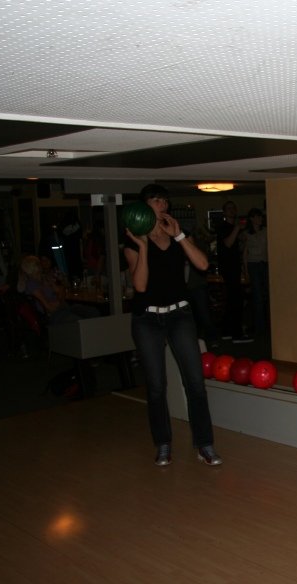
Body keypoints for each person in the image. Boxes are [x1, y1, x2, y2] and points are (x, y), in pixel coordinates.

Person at [123, 184, 222, 467]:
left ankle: (204, 444)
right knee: (156, 386)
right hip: (147, 320)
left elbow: (202, 264)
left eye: (165, 200)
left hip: (180, 315)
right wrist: (144, 247)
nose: (163, 205)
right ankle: (163, 443)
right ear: (144, 207)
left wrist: (179, 236)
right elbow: (140, 286)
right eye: (156, 200)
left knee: (195, 382)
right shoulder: (133, 242)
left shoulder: (179, 235)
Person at [18, 255, 99, 325]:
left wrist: (58, 300)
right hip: (53, 315)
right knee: (78, 321)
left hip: (63, 308)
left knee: (94, 312)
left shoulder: (44, 278)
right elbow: (49, 308)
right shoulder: (31, 284)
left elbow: (62, 289)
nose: (41, 266)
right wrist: (59, 299)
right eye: (37, 264)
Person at [215, 200, 252, 343]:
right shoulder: (223, 227)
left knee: (232, 300)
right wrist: (237, 229)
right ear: (224, 212)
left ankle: (227, 332)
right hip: (228, 268)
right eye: (229, 208)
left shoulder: (233, 228)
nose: (232, 210)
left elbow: (238, 247)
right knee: (236, 300)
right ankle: (237, 334)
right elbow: (228, 243)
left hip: (235, 267)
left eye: (233, 208)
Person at [243, 208, 269, 337]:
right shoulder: (247, 234)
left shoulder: (266, 231)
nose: (260, 219)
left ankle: (268, 325)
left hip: (265, 264)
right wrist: (246, 271)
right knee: (257, 296)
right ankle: (259, 328)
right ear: (252, 219)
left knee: (267, 295)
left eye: (260, 216)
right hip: (253, 265)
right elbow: (245, 253)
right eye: (257, 217)